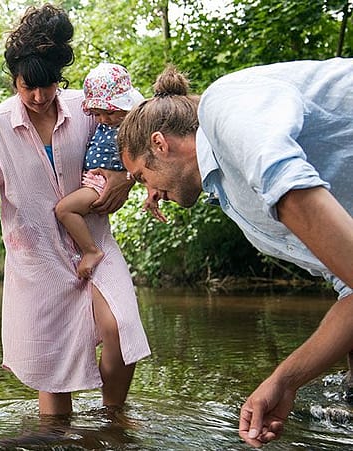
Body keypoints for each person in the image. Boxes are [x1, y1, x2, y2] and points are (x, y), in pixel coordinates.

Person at [116, 58, 353, 447]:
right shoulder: (241, 210)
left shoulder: (223, 104)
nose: (150, 195)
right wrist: (283, 382)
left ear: (160, 143)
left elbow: (287, 182)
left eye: (143, 177)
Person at [0, 4, 150, 417]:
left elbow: (126, 151)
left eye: (48, 86)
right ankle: (58, 439)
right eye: (27, 88)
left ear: (60, 79)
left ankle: (113, 423)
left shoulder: (88, 109)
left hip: (94, 244)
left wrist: (125, 182)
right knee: (54, 383)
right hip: (37, 263)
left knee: (119, 329)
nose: (39, 97)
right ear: (14, 81)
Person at [54, 63, 147, 279]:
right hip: (93, 181)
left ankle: (91, 250)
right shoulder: (108, 123)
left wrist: (129, 178)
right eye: (97, 114)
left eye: (109, 112)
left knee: (64, 210)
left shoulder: (132, 127)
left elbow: (144, 158)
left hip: (101, 185)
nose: (104, 119)